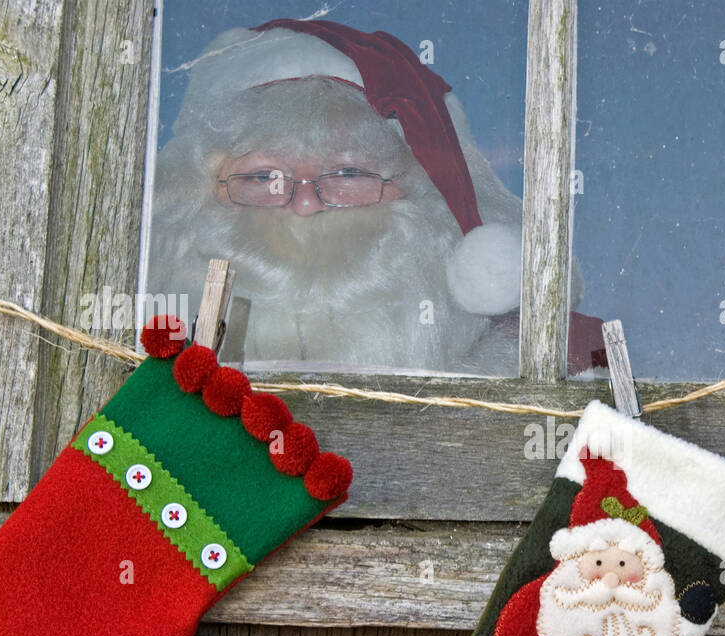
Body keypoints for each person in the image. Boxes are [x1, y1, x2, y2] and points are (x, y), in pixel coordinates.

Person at [148, 18, 601, 374]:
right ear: (198, 199)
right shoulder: (123, 378)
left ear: (429, 205)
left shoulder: (563, 371)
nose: (305, 205)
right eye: (262, 176)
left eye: (349, 172)